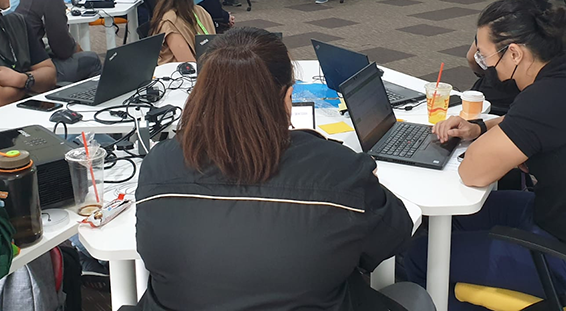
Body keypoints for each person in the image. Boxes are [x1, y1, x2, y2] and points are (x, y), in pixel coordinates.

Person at [136, 27, 431, 311]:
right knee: (410, 296)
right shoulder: (341, 170)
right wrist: (366, 187)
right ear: (287, 97)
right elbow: (395, 235)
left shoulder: (157, 166)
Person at [405, 0, 566, 310]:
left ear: (514, 53)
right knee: (453, 220)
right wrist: (476, 129)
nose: (482, 63)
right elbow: (518, 125)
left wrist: (481, 143)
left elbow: (473, 172)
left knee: (417, 257)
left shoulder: (544, 98)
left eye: (484, 54)